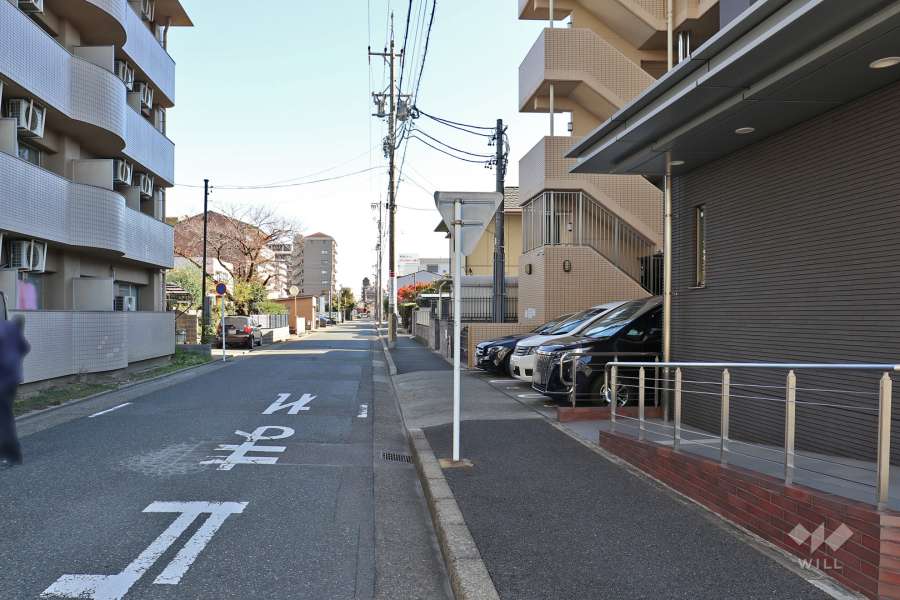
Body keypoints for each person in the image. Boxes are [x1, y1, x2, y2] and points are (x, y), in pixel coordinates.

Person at [0, 315, 30, 466]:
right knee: (5, 416)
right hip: (12, 378)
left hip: (3, 380)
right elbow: (25, 347)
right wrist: (15, 360)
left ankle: (12, 455)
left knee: (4, 417)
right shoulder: (9, 326)